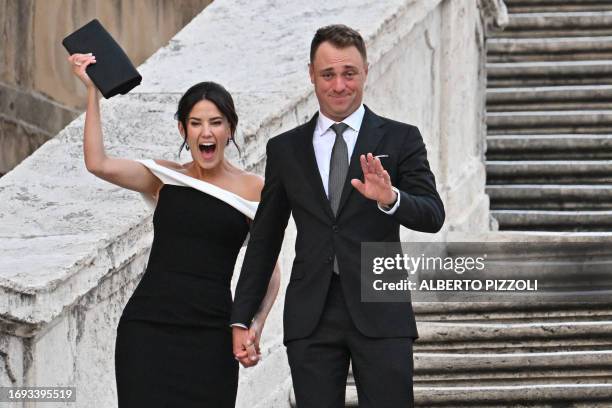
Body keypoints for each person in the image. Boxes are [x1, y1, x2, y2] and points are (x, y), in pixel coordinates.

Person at [231, 24, 445, 407]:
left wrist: (391, 198)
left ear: (366, 71)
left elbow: (432, 215)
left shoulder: (401, 139)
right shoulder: (285, 149)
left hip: (381, 308)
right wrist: (241, 318)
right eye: (328, 74)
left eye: (349, 73)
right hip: (311, 316)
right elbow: (264, 239)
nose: (339, 85)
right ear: (311, 75)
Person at [68, 53, 280, 407]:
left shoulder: (255, 189)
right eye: (196, 123)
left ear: (230, 129)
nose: (206, 132)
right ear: (183, 130)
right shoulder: (164, 177)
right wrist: (92, 92)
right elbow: (98, 163)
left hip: (212, 336)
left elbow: (270, 272)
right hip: (147, 329)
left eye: (216, 122)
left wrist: (254, 325)